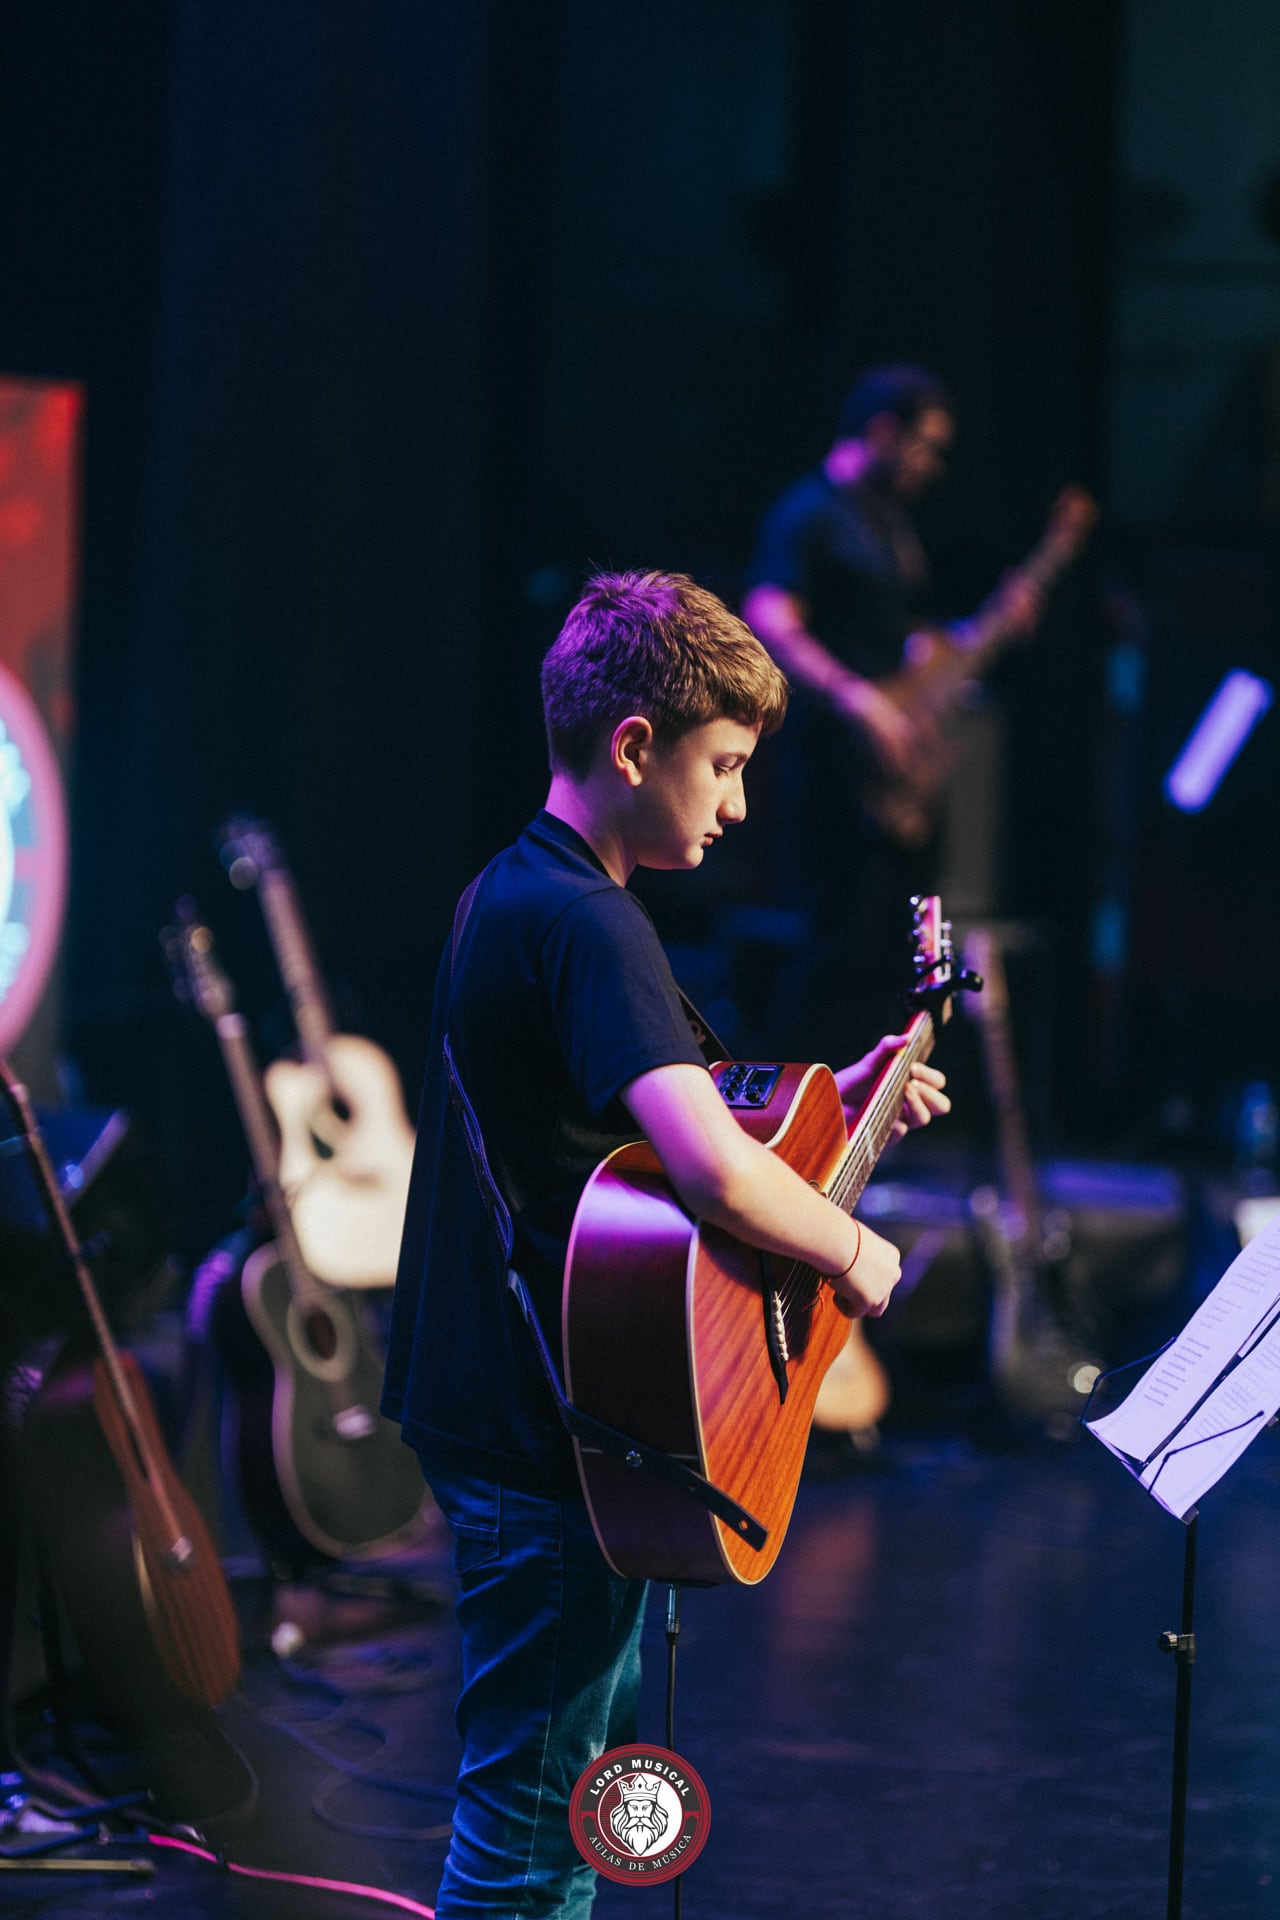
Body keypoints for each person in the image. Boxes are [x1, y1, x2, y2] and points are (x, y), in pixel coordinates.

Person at [382, 570, 949, 1918]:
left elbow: (647, 1128)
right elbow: (711, 1172)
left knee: (563, 1792)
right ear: (635, 746)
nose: (737, 806)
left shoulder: (521, 887)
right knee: (527, 1834)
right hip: (549, 1428)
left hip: (528, 1408)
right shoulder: (590, 920)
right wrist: (853, 1254)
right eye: (725, 766)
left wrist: (843, 1099)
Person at [742, 364, 1039, 1060]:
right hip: (838, 770)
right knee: (836, 949)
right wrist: (858, 700)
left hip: (901, 772)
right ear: (882, 432)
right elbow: (770, 617)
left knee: (898, 956)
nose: (932, 466)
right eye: (925, 446)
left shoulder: (891, 526)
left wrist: (986, 631)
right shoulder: (810, 513)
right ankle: (790, 1103)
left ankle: (870, 1107)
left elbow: (907, 646)